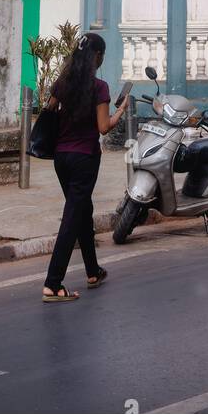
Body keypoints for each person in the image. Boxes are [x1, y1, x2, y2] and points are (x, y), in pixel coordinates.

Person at [42, 32, 129, 302]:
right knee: (72, 217)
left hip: (61, 158)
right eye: (101, 55)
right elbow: (103, 128)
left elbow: (49, 111)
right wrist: (120, 111)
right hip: (84, 159)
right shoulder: (99, 87)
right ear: (97, 57)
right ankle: (53, 283)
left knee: (82, 211)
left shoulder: (61, 83)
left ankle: (92, 271)